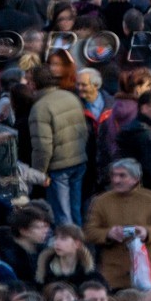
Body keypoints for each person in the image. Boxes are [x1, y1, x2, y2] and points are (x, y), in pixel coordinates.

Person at [83, 159, 151, 288]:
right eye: (113, 175)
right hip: (113, 275)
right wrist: (108, 234)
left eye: (122, 175)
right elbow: (89, 231)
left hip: (147, 273)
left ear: (135, 178)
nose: (116, 180)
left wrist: (147, 232)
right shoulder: (100, 201)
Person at [28, 66, 89, 227]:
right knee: (75, 211)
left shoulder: (40, 108)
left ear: (34, 84)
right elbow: (84, 129)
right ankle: (80, 246)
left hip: (58, 167)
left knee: (62, 215)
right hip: (79, 160)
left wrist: (38, 173)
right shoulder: (71, 97)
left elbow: (43, 146)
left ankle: (68, 248)